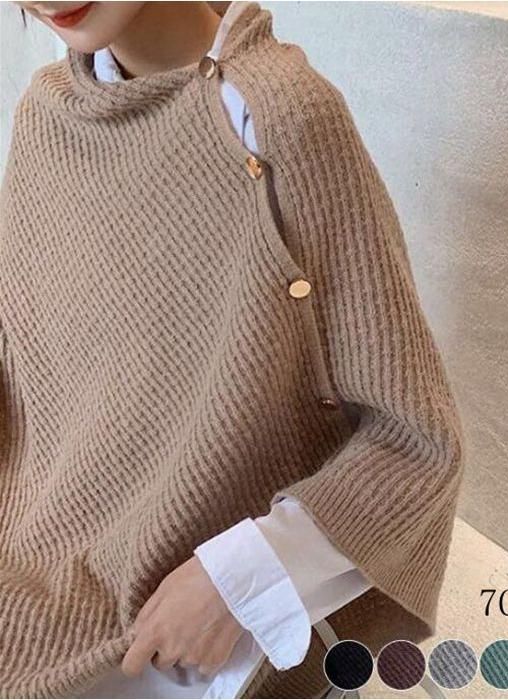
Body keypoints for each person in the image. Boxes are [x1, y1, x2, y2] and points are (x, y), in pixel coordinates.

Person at [0, 2, 465, 698]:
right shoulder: (49, 113)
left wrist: (240, 578)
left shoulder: (278, 119)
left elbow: (417, 441)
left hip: (181, 628)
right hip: (34, 544)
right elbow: (24, 356)